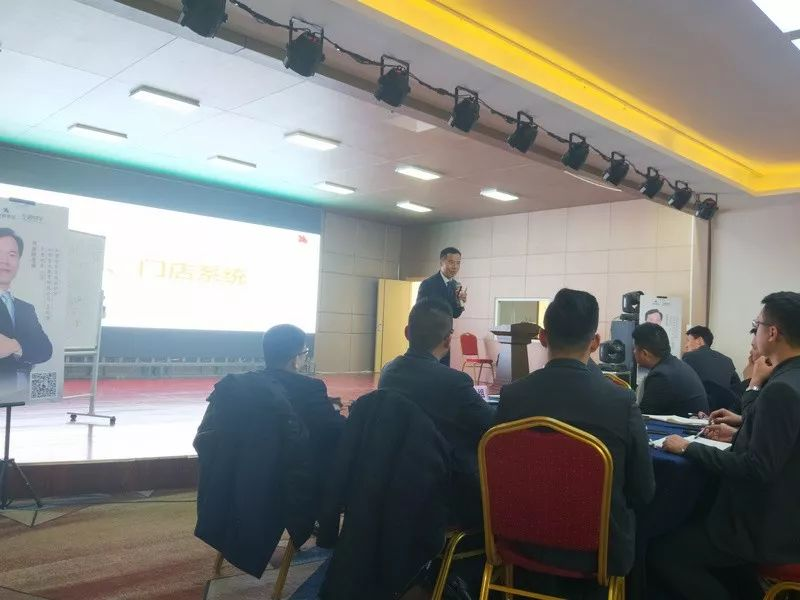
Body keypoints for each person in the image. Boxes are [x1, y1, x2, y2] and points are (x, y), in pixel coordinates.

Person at [496, 288, 655, 578]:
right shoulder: (620, 402)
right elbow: (642, 491)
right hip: (598, 552)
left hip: (519, 541)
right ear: (595, 343)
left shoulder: (512, 396)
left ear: (543, 337)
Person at [653, 292, 800, 600]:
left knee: (665, 552)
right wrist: (740, 430)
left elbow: (757, 467)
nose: (754, 334)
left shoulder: (781, 389)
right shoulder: (790, 380)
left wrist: (688, 448)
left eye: (756, 326)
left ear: (772, 333)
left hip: (767, 528)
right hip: (786, 512)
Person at [379, 297, 493, 526]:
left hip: (395, 483)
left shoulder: (388, 373)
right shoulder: (454, 382)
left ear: (407, 332)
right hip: (447, 492)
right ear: (448, 339)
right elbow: (492, 424)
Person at [261, 324, 345, 507]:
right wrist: (335, 411)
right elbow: (332, 428)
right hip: (296, 477)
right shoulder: (311, 387)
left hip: (257, 472)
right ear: (295, 359)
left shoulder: (251, 384)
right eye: (305, 352)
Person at [0, 228, 52, 393]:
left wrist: (14, 345)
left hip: (18, 393)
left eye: (12, 255)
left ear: (19, 261)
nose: (4, 261)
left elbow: (45, 349)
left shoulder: (25, 308)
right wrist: (24, 344)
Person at [633, 322, 708, 415]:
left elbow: (643, 417)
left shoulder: (660, 376)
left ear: (645, 353)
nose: (634, 352)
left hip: (686, 424)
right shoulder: (674, 365)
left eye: (635, 348)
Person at [416, 247, 467, 366]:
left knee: (443, 369)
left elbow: (455, 314)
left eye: (458, 263)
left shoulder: (456, 285)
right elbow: (419, 311)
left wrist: (461, 302)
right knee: (428, 369)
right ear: (441, 262)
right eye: (451, 262)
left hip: (445, 338)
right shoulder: (428, 284)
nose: (455, 267)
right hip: (429, 337)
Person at [682, 325, 740, 390]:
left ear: (699, 341)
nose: (686, 345)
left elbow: (681, 383)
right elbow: (737, 388)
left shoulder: (689, 357)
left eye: (688, 340)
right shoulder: (728, 361)